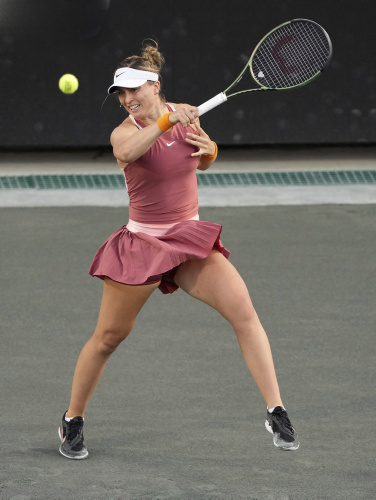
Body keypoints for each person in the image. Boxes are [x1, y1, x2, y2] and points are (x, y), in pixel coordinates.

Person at [58, 41, 299, 460]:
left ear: (155, 85)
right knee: (108, 338)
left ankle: (276, 410)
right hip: (141, 246)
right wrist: (169, 118)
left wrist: (211, 151)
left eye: (135, 89)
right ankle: (72, 419)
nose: (128, 99)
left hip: (188, 241)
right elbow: (127, 153)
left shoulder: (188, 121)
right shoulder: (126, 132)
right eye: (120, 93)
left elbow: (198, 160)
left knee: (244, 314)